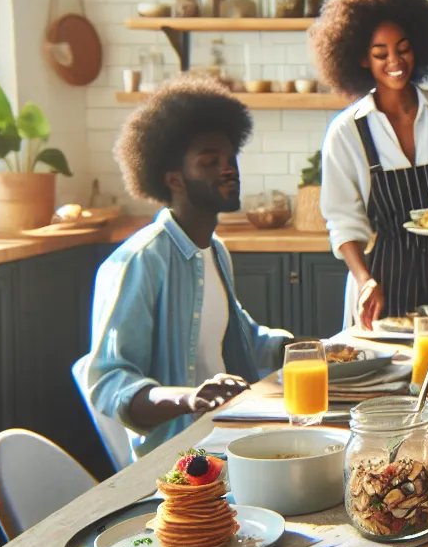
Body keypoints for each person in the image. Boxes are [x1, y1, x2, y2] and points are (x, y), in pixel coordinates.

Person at [84, 77, 292, 459]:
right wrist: (190, 399)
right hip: (179, 457)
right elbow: (108, 379)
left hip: (230, 435)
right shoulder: (141, 261)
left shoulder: (214, 250)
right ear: (173, 178)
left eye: (230, 159)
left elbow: (244, 337)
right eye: (210, 161)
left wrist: (311, 350)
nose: (229, 170)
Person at [310, 0, 428, 329]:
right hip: (383, 280)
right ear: (361, 59)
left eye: (403, 48)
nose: (395, 61)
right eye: (380, 53)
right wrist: (364, 280)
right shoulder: (347, 131)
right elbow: (343, 222)